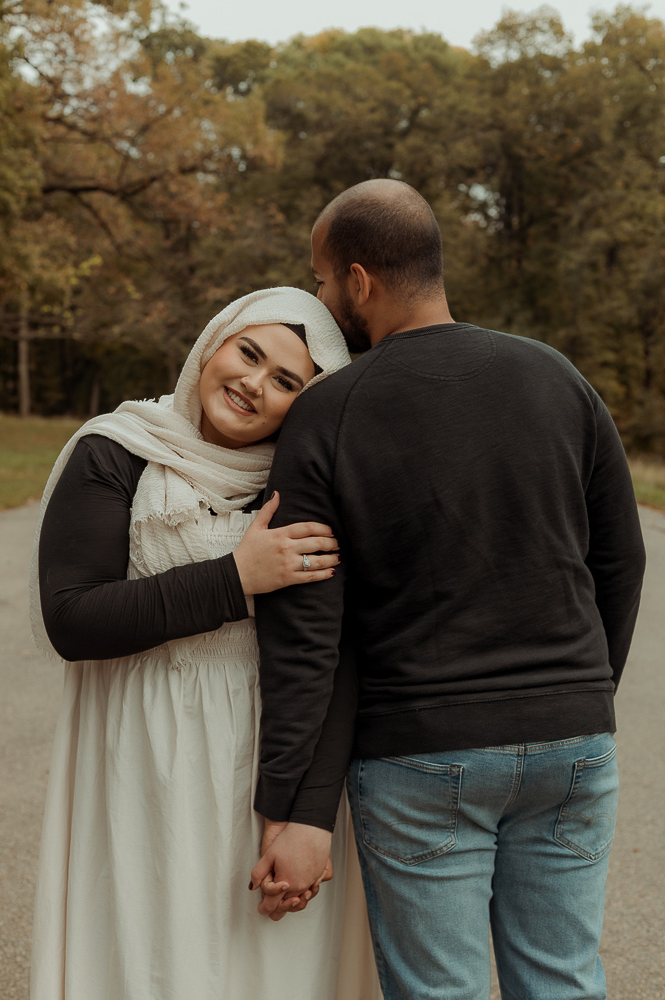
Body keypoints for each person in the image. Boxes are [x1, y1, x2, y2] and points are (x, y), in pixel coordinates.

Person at [250, 179, 648, 1000]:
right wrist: (576, 695)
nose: (323, 299)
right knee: (565, 981)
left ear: (359, 281)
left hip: (422, 757)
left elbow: (307, 636)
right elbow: (622, 559)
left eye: (323, 280)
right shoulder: (557, 377)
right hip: (573, 744)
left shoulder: (328, 413)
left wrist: (288, 806)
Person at [27, 288, 381, 999]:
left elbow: (339, 655)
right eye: (248, 353)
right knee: (149, 954)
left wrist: (307, 814)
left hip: (265, 760)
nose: (255, 383)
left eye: (287, 382)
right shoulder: (118, 449)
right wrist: (236, 580)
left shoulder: (308, 481)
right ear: (212, 345)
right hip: (137, 749)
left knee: (265, 965)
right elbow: (72, 617)